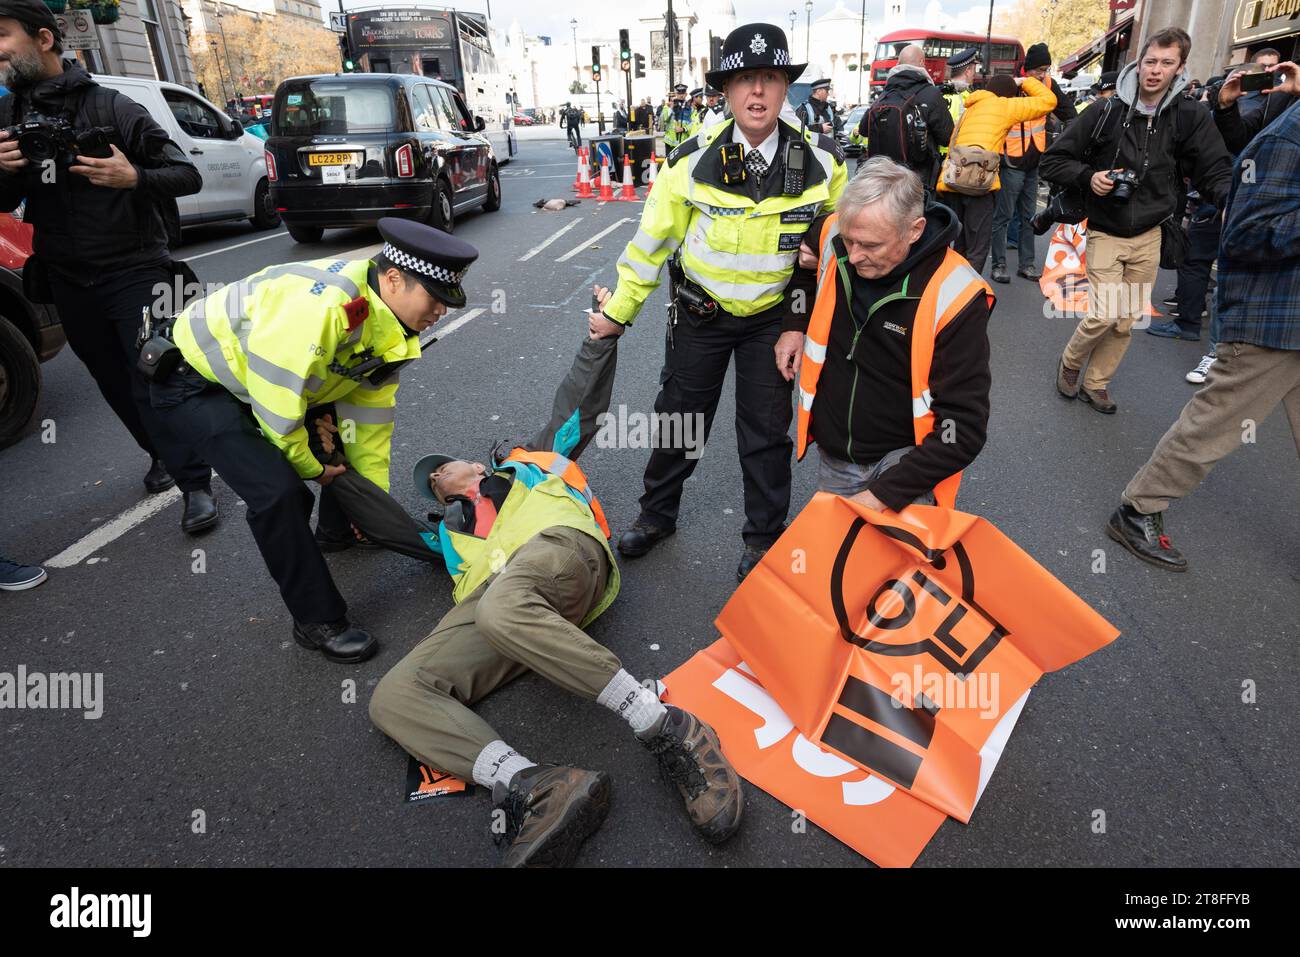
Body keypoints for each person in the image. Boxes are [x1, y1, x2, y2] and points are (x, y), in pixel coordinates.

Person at [362, 311, 744, 868]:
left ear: (475, 462)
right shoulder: (446, 536)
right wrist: (328, 474)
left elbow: (578, 408)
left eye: (443, 465)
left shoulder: (528, 462)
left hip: (561, 552)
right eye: (431, 479)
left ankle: (666, 727)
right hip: (497, 604)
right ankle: (535, 784)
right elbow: (380, 524)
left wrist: (602, 337)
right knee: (393, 696)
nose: (438, 474)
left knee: (501, 605)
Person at [148, 219, 477, 664]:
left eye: (448, 302)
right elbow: (279, 412)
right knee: (279, 493)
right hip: (196, 381)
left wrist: (372, 500)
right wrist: (314, 468)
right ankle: (317, 620)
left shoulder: (390, 320)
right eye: (434, 299)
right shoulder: (319, 311)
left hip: (276, 379)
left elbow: (368, 419)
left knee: (342, 447)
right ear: (395, 278)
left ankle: (338, 533)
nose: (441, 312)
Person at [593, 23, 848, 582]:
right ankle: (656, 515)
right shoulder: (688, 161)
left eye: (770, 79)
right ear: (726, 93)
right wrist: (617, 317)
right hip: (700, 316)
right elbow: (650, 246)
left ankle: (762, 539)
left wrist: (797, 322)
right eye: (744, 81)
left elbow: (836, 253)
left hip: (774, 323)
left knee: (765, 434)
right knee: (679, 422)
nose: (757, 93)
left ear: (786, 90)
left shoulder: (826, 164)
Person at [0, 2, 217, 532]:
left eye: (2, 36)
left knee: (154, 375)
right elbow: (8, 202)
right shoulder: (7, 119)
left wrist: (134, 179)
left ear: (43, 39)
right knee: (112, 382)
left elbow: (186, 174)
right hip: (67, 275)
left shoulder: (111, 106)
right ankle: (159, 453)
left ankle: (195, 484)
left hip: (133, 269)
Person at [1105, 94, 1300, 572]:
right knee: (1214, 425)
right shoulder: (1285, 138)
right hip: (1272, 322)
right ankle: (1139, 508)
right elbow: (1244, 235)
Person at [778, 157, 993, 512]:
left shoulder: (956, 294)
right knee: (838, 564)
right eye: (849, 241)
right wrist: (794, 324)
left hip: (907, 465)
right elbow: (805, 263)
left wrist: (883, 494)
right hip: (837, 459)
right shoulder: (837, 232)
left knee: (893, 569)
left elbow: (963, 428)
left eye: (871, 246)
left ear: (914, 229)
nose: (854, 256)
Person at [1044, 27, 1233, 415]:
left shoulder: (1189, 116)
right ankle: (1071, 362)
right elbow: (1054, 160)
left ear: (1180, 69)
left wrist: (1230, 200)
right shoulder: (1105, 111)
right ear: (1139, 62)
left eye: (1166, 63)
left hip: (1150, 233)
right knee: (1104, 314)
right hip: (1105, 232)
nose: (1155, 70)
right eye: (1150, 61)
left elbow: (1213, 168)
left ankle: (1096, 384)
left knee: (1126, 320)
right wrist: (1088, 177)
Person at [936, 73, 1056, 277]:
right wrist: (1025, 81)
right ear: (1008, 95)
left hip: (953, 183)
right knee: (978, 247)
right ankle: (966, 297)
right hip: (979, 184)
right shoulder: (1004, 106)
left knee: (961, 245)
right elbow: (1049, 101)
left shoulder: (971, 107)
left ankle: (950, 289)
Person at [989, 43, 1077, 285]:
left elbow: (1071, 113)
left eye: (1046, 69)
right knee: (1003, 216)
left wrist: (1064, 145)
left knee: (1030, 216)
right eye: (1039, 69)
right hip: (1011, 161)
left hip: (1034, 161)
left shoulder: (1048, 85)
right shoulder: (1011, 85)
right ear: (1027, 68)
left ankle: (1026, 265)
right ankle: (998, 265)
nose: (1043, 74)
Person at [863, 44, 953, 194]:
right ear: (922, 62)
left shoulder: (884, 95)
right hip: (918, 179)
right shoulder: (931, 94)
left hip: (883, 177)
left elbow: (863, 129)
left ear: (898, 64)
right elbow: (947, 137)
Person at [659, 83, 695, 150]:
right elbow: (663, 120)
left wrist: (684, 129)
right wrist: (671, 108)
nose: (681, 95)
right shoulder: (667, 106)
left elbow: (694, 123)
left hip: (684, 142)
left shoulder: (690, 107)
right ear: (676, 94)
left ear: (686, 94)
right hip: (670, 143)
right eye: (679, 93)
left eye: (683, 93)